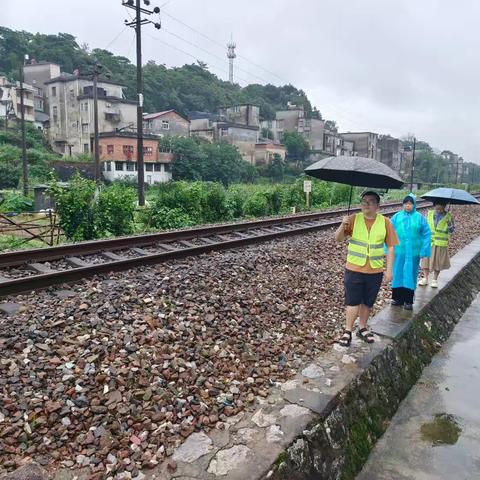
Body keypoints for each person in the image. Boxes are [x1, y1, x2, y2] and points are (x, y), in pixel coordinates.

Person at [335, 191, 398, 347]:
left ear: (377, 205)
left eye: (370, 201)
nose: (366, 204)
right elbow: (338, 239)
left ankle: (362, 328)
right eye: (364, 201)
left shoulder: (385, 222)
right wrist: (342, 226)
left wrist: (389, 270)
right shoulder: (353, 219)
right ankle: (347, 330)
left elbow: (390, 247)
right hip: (354, 268)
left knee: (368, 302)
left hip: (375, 270)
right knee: (352, 301)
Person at [390, 194, 431, 310]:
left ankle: (408, 300)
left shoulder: (419, 218)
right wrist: (388, 248)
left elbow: (426, 234)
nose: (407, 206)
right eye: (406, 203)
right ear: (403, 204)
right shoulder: (397, 217)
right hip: (399, 251)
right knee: (397, 273)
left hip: (413, 253)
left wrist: (424, 250)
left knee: (411, 274)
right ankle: (397, 298)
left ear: (414, 205)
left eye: (410, 203)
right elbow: (389, 231)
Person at [418, 201, 454, 288]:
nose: (439, 210)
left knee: (438, 262)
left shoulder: (449, 216)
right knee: (425, 261)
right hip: (428, 242)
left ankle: (434, 280)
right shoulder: (429, 214)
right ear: (434, 206)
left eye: (441, 209)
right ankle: (425, 278)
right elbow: (424, 226)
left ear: (444, 207)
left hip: (440, 244)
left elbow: (452, 230)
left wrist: (449, 224)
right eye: (437, 208)